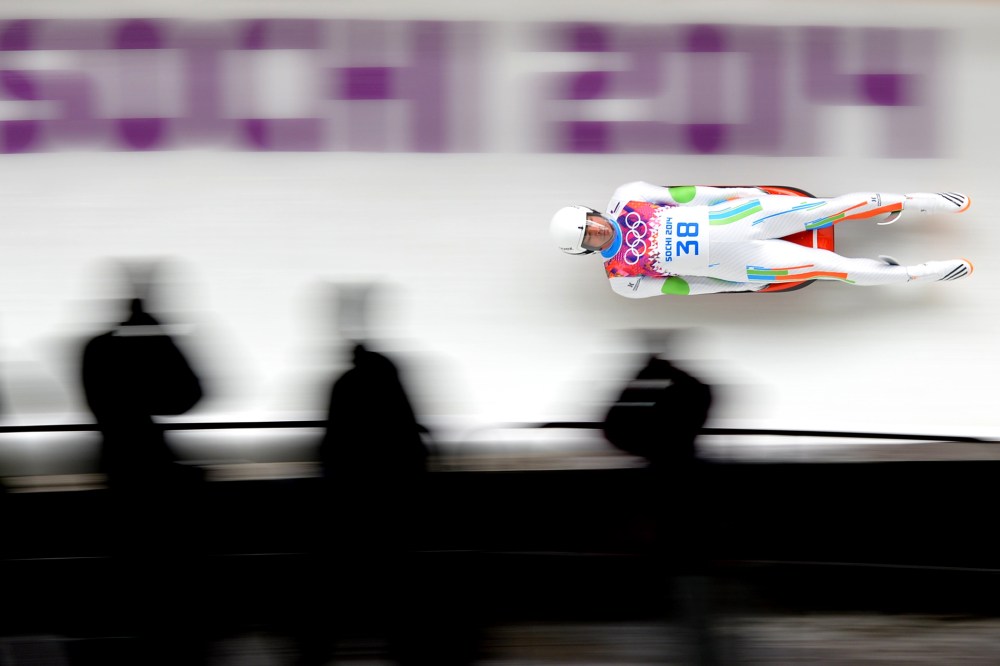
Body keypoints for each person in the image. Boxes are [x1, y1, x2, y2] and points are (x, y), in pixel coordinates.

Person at [550, 182, 973, 297]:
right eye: (588, 237)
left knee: (828, 207)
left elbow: (689, 194)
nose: (597, 231)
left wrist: (747, 196)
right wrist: (742, 284)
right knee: (833, 270)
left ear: (592, 212)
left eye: (590, 223)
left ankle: (919, 201)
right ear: (583, 250)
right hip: (743, 265)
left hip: (741, 217)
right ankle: (921, 275)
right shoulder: (622, 279)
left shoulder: (627, 197)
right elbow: (685, 288)